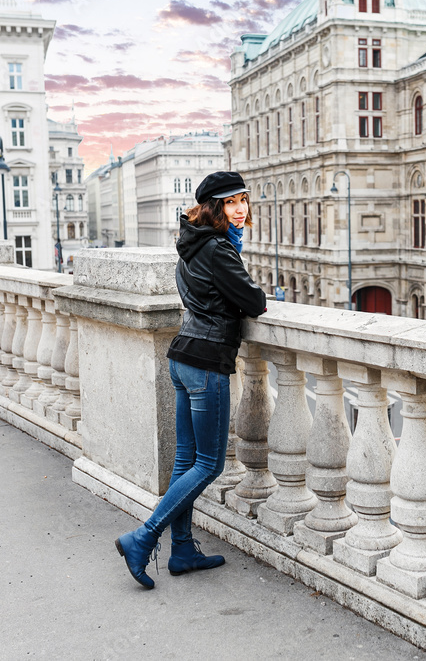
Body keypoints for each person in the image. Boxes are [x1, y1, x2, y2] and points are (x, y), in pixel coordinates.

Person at [116, 171, 266, 589]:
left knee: (185, 462)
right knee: (208, 464)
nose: (241, 210)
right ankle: (143, 537)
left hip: (183, 357)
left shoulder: (191, 243)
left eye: (244, 201)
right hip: (206, 363)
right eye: (232, 203)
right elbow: (254, 301)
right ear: (215, 208)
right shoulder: (219, 250)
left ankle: (181, 549)